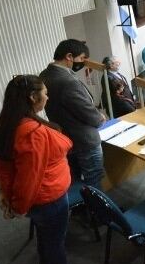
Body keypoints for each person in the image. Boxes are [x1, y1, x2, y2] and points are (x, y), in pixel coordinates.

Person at [0, 75, 73, 264]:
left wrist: (5, 193)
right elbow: (29, 178)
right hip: (48, 200)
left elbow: (3, 166)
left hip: (39, 201)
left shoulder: (6, 123)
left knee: (47, 239)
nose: (47, 97)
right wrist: (17, 207)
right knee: (55, 246)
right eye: (45, 94)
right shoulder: (32, 132)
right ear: (32, 97)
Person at [39, 39, 106, 190]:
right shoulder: (67, 80)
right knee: (93, 179)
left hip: (66, 137)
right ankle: (97, 212)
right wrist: (99, 118)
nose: (83, 63)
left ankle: (82, 209)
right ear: (69, 56)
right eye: (82, 59)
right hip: (85, 140)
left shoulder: (45, 75)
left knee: (75, 179)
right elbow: (87, 113)